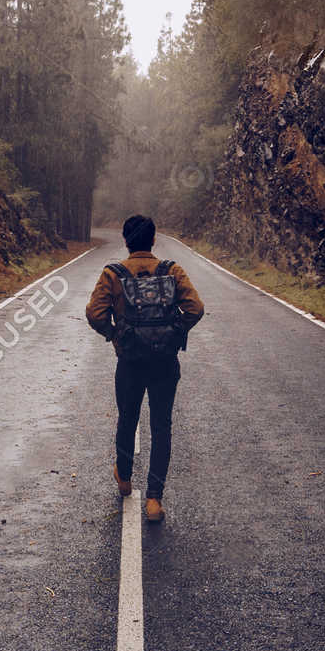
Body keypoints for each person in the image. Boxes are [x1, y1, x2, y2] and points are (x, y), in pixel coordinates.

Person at [84, 215, 204, 522]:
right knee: (161, 426)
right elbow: (195, 308)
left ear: (126, 241)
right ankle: (154, 501)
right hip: (165, 360)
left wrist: (114, 334)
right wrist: (176, 331)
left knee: (127, 418)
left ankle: (124, 478)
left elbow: (95, 313)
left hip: (130, 361)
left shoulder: (113, 273)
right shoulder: (172, 270)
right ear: (153, 239)